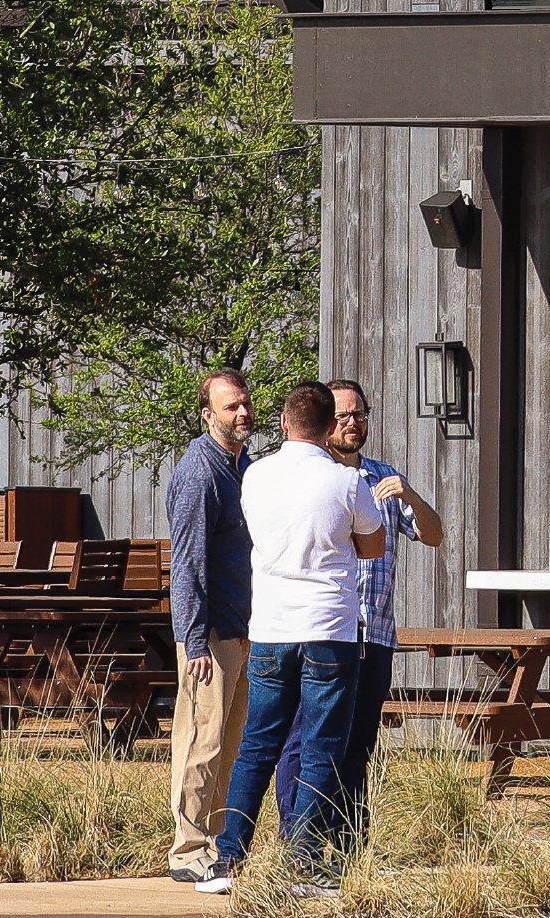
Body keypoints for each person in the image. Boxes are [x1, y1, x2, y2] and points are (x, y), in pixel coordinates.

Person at [206, 382, 388, 897]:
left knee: (258, 744)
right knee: (322, 746)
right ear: (331, 427)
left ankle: (227, 858)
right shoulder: (345, 480)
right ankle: (303, 862)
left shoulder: (256, 474)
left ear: (284, 424)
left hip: (269, 628)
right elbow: (372, 547)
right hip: (329, 628)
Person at [273, 378, 445, 836]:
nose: (353, 423)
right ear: (326, 421)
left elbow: (434, 534)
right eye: (344, 415)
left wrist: (408, 494)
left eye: (360, 414)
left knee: (358, 743)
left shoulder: (381, 478)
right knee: (303, 740)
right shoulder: (309, 479)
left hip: (374, 633)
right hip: (321, 631)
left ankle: (347, 843)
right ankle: (297, 841)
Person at [164, 370, 257, 883]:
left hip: (242, 628)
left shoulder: (243, 467)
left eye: (245, 404)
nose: (242, 413)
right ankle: (186, 850)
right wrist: (195, 640)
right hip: (210, 636)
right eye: (230, 408)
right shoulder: (200, 473)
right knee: (201, 742)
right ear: (208, 415)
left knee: (231, 742)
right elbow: (188, 565)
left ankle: (216, 844)